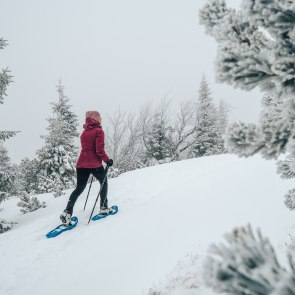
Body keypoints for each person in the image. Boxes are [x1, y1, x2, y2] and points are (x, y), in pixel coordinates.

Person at [60, 110, 113, 225]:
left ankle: (67, 212)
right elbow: (99, 151)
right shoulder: (99, 131)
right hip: (94, 164)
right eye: (100, 118)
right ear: (96, 119)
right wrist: (108, 161)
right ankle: (103, 207)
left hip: (81, 164)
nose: (101, 120)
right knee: (103, 183)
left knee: (79, 188)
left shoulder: (84, 133)